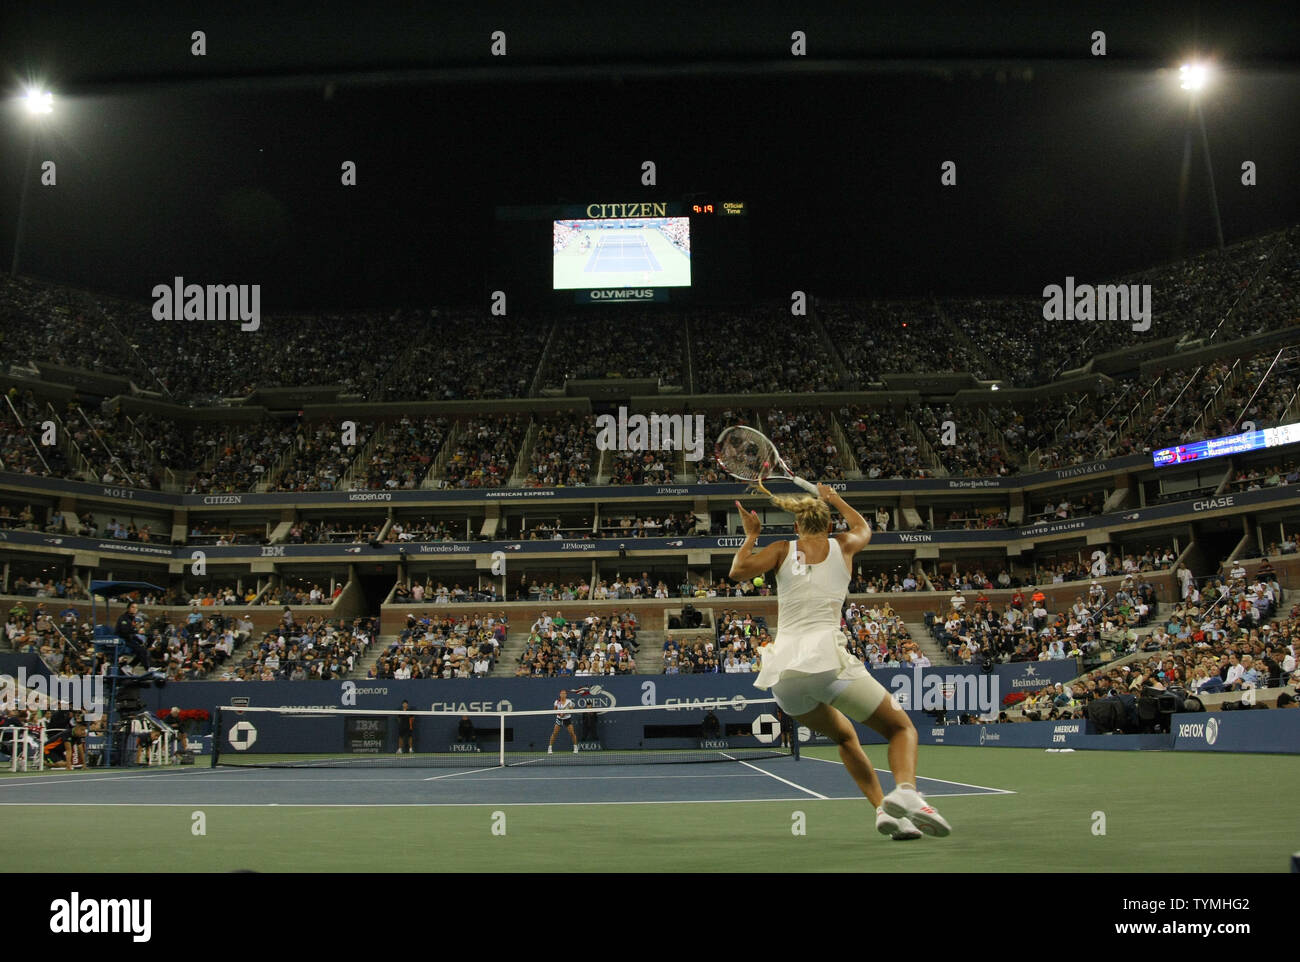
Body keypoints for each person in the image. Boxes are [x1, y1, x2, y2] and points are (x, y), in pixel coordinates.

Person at [730, 485, 951, 841]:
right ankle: (907, 792)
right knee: (901, 730)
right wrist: (834, 498)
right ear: (829, 524)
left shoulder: (780, 549)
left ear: (798, 527)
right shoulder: (844, 544)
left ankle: (883, 809)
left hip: (785, 677)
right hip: (827, 663)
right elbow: (864, 527)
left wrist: (752, 535)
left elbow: (738, 570)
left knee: (845, 737)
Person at [547, 689, 579, 754]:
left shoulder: (569, 701)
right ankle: (549, 748)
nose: (563, 695)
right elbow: (555, 710)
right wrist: (560, 714)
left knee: (572, 733)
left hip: (567, 719)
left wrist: (565, 713)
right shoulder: (557, 702)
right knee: (554, 733)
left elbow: (572, 710)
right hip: (559, 719)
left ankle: (575, 748)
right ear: (560, 694)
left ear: (566, 695)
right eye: (562, 693)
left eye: (564, 693)